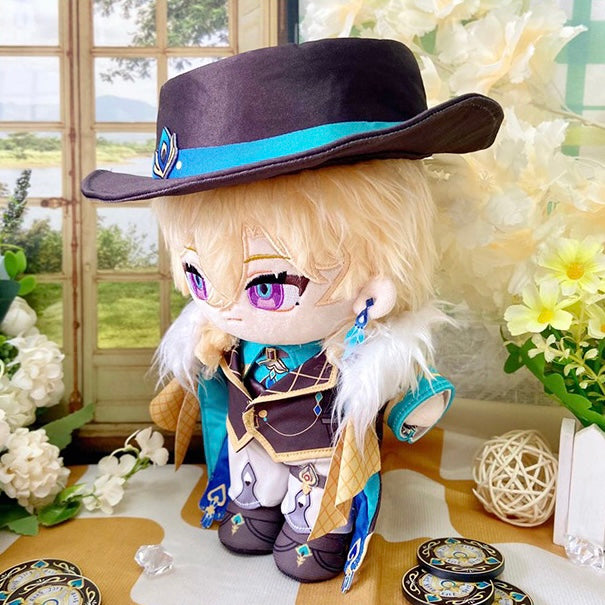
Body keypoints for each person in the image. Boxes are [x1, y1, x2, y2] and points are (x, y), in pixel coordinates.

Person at [82, 37, 503, 587]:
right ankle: (253, 505)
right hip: (249, 444)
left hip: (318, 458)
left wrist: (415, 401)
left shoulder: (357, 347)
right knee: (250, 480)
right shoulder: (222, 334)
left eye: (268, 286)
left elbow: (399, 377)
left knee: (314, 498)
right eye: (199, 277)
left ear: (376, 283)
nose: (224, 307)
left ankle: (314, 529)